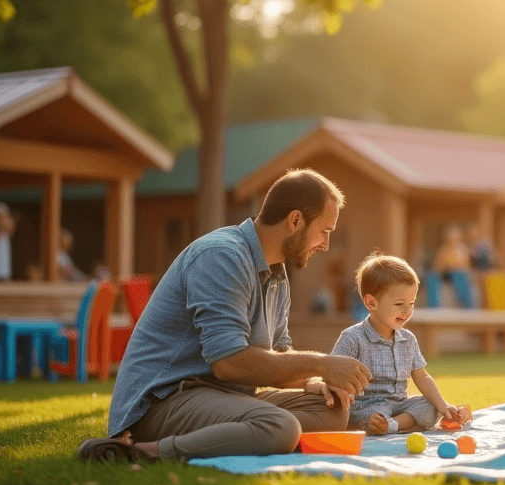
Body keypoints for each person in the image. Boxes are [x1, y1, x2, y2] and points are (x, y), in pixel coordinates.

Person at [78, 169, 372, 462]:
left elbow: (278, 356)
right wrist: (322, 364)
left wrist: (314, 383)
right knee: (280, 427)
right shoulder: (222, 256)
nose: (326, 245)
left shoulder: (277, 276)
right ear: (295, 221)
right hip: (164, 401)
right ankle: (142, 453)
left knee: (332, 411)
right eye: (325, 231)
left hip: (223, 396)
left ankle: (248, 438)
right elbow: (229, 364)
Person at [332, 254, 470, 435]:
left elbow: (422, 377)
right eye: (399, 304)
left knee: (430, 406)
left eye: (411, 303)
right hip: (368, 404)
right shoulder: (353, 338)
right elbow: (333, 371)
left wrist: (443, 405)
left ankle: (392, 425)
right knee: (367, 415)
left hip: (400, 405)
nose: (407, 311)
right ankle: (382, 423)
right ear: (371, 303)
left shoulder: (408, 339)